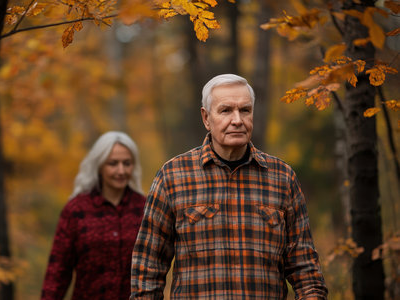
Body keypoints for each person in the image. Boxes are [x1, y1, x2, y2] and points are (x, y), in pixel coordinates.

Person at [130, 74, 328, 299]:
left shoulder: (282, 178)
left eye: (245, 110)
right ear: (206, 118)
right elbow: (147, 269)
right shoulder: (173, 176)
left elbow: (306, 271)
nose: (237, 120)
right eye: (225, 111)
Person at [41, 131, 146, 299]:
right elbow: (58, 271)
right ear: (99, 165)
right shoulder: (76, 210)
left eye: (127, 163)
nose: (121, 170)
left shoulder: (145, 208)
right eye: (113, 164)